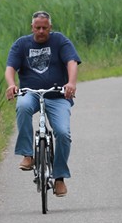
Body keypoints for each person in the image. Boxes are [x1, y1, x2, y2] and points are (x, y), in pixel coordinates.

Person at [5, 11, 81, 197]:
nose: (41, 31)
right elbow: (10, 68)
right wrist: (12, 84)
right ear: (32, 28)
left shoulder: (59, 41)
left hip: (57, 95)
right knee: (22, 107)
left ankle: (59, 177)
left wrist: (71, 83)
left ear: (50, 28)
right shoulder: (21, 44)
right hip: (30, 93)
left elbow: (71, 62)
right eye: (37, 28)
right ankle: (27, 155)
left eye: (44, 28)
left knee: (63, 133)